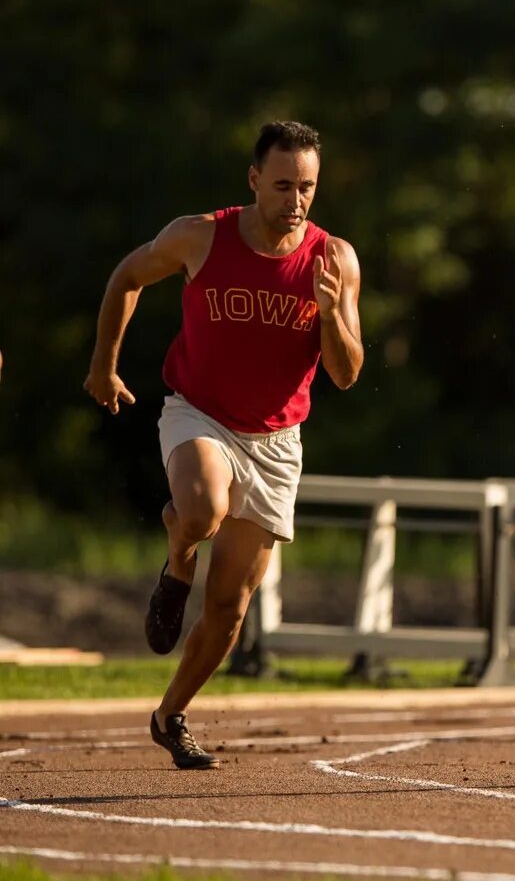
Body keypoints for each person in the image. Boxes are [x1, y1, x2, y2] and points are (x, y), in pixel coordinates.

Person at [83, 120, 363, 768]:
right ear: (254, 179)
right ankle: (180, 554)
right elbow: (128, 275)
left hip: (276, 440)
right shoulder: (201, 235)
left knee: (230, 609)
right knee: (204, 509)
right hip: (199, 415)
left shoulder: (334, 259)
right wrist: (105, 363)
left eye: (309, 187)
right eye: (285, 184)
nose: (296, 200)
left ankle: (170, 714)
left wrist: (328, 315)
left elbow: (347, 375)